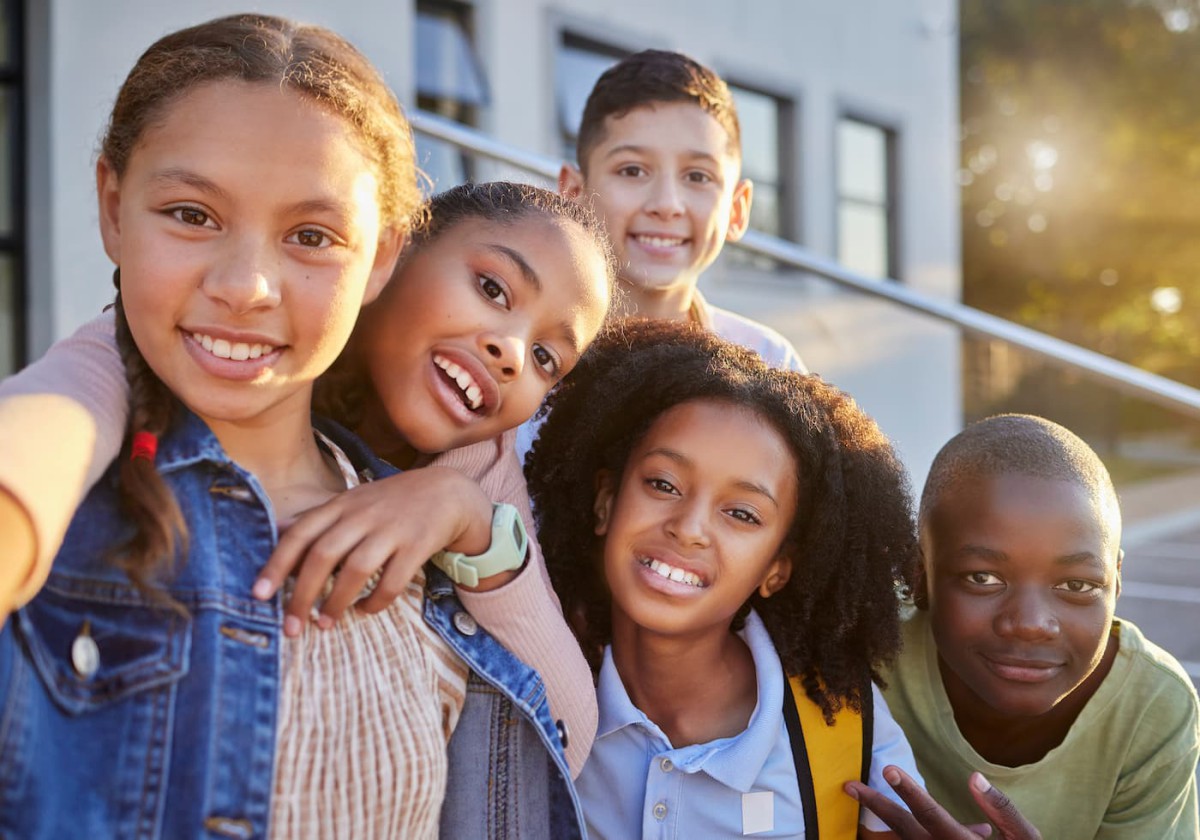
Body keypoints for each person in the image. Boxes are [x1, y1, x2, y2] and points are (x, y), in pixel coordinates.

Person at [0, 16, 611, 839]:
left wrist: (462, 514)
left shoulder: (451, 509)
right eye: (191, 213)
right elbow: (59, 413)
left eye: (311, 237)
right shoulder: (93, 414)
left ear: (381, 258)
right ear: (113, 207)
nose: (247, 285)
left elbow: (548, 748)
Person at [525, 318, 922, 839]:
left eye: (742, 514)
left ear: (778, 568)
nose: (688, 529)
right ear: (605, 501)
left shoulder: (847, 733)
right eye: (663, 484)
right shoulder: (529, 691)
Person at [850, 415, 1200, 839]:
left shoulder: (1153, 706)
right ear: (918, 573)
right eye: (983, 578)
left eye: (1077, 585)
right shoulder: (864, 655)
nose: (1031, 625)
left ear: (1117, 580)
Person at [516, 49, 805, 460]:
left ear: (737, 209)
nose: (667, 203)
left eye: (697, 177)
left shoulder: (772, 365)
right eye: (632, 170)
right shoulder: (518, 356)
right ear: (573, 194)